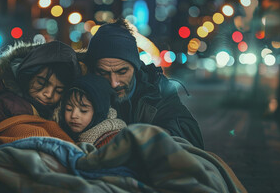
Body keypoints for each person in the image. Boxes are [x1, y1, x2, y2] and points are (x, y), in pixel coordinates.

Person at [83, 18, 204, 149]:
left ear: (136, 68)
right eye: (103, 73)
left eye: (122, 71)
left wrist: (152, 139)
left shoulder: (157, 90)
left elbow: (191, 135)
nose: (114, 83)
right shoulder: (81, 88)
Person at [0, 41, 81, 156]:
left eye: (59, 90)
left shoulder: (64, 106)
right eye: (41, 83)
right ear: (28, 74)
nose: (49, 94)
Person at [60, 74, 126, 148]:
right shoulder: (62, 132)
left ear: (99, 112)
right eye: (69, 109)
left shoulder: (111, 141)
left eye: (83, 110)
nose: (73, 115)